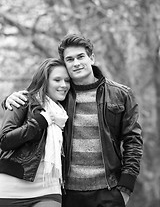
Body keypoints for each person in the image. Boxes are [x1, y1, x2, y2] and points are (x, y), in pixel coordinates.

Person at [4, 34, 143, 207]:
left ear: (91, 58)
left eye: (80, 57)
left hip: (109, 190)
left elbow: (133, 141)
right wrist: (10, 99)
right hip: (67, 193)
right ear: (65, 64)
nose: (76, 63)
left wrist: (126, 187)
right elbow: (32, 100)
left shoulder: (120, 94)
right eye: (70, 59)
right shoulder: (59, 94)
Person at [0, 58, 70, 207]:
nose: (63, 85)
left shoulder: (65, 113)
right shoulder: (22, 101)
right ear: (44, 81)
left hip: (49, 188)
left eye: (67, 80)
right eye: (57, 80)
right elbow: (4, 141)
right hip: (11, 187)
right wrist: (39, 123)